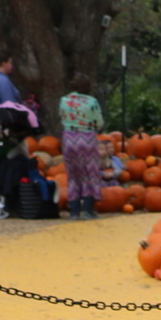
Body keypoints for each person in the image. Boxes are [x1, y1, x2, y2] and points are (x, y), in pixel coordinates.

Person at [57, 74, 106, 219]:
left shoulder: (64, 101)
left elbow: (62, 117)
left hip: (69, 139)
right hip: (87, 139)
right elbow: (99, 122)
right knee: (89, 173)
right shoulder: (92, 102)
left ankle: (73, 211)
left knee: (73, 174)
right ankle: (87, 209)